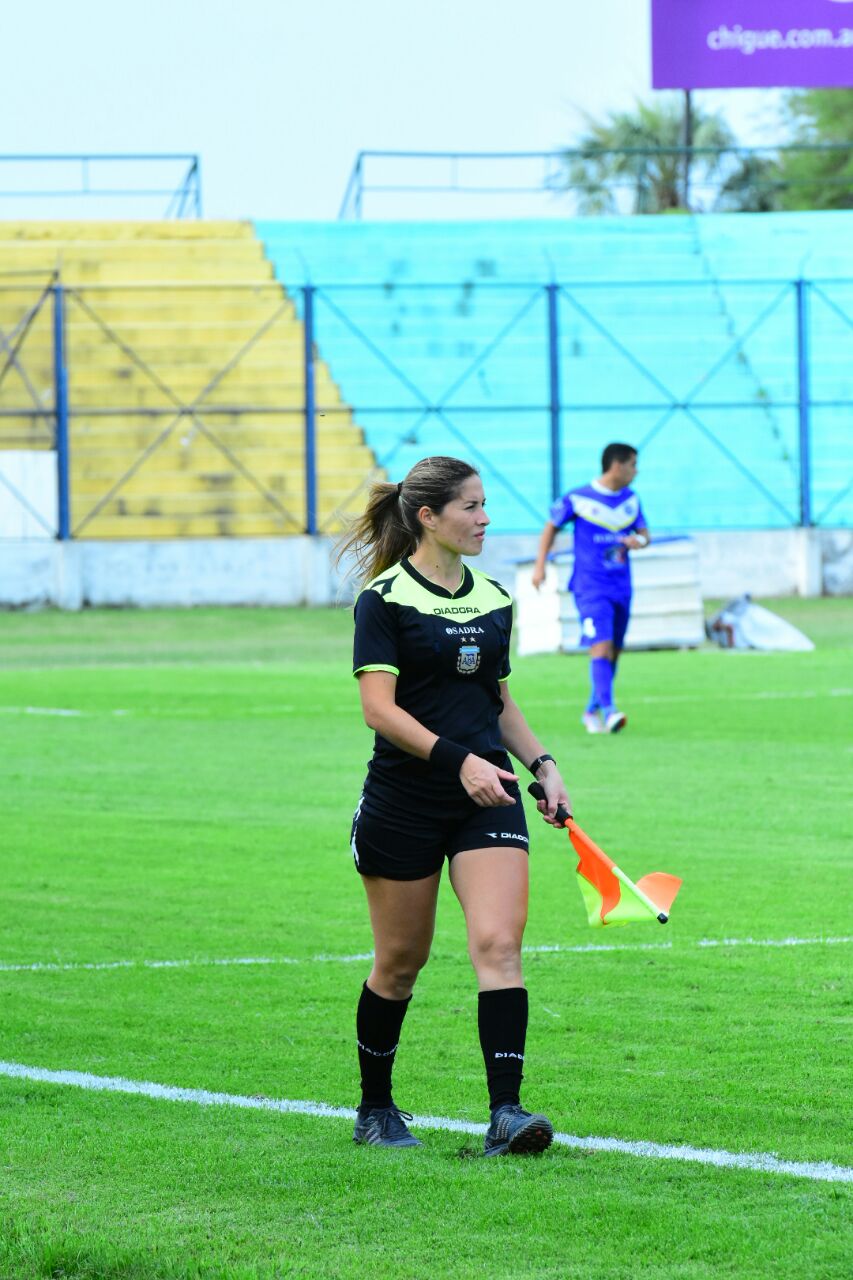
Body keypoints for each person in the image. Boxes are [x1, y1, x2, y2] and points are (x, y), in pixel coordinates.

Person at [337, 455, 571, 1155]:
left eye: (484, 504)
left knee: (499, 946)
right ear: (428, 517)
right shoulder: (383, 599)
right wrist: (456, 759)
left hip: (487, 797)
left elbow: (495, 700)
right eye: (470, 507)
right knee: (400, 962)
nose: (485, 519)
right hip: (405, 801)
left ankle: (507, 1112)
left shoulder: (495, 597)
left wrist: (542, 763)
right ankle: (375, 1109)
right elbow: (378, 710)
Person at [531, 443, 650, 734]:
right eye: (633, 464)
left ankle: (591, 710)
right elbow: (550, 527)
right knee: (601, 644)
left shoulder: (631, 500)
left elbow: (645, 533)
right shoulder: (578, 498)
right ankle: (610, 711)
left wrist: (639, 542)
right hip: (590, 585)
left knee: (615, 651)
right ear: (617, 465)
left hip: (622, 585)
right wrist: (540, 565)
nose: (637, 471)